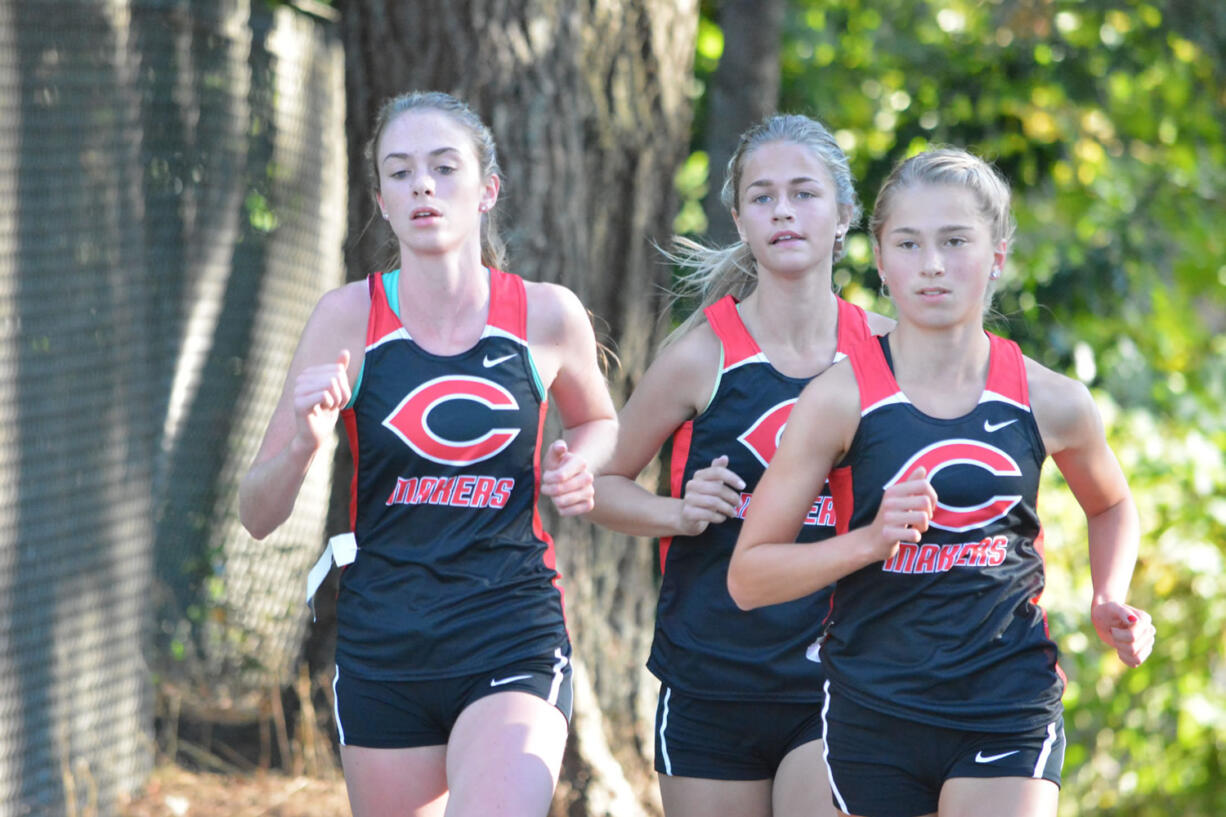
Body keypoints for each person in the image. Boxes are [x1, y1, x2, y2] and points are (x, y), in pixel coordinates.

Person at [727, 147, 1156, 817]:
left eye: (955, 240)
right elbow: (749, 576)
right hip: (874, 710)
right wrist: (870, 541)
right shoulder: (838, 399)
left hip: (1006, 699)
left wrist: (1109, 595)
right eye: (909, 242)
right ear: (880, 257)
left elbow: (1112, 502)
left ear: (998, 255)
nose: (932, 264)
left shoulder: (1052, 399)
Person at [238, 90, 618, 817]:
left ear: (487, 190)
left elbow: (601, 422)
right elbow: (257, 512)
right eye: (401, 172)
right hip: (387, 641)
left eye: (445, 168)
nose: (423, 186)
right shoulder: (347, 316)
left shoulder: (545, 313)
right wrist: (303, 448)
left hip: (511, 625)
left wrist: (581, 461)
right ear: (380, 198)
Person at [586, 114, 893, 817]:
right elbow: (597, 487)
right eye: (762, 196)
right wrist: (678, 512)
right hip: (711, 682)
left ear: (845, 213)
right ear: (739, 218)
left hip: (840, 680)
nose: (783, 209)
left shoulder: (885, 351)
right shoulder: (702, 352)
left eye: (804, 192)